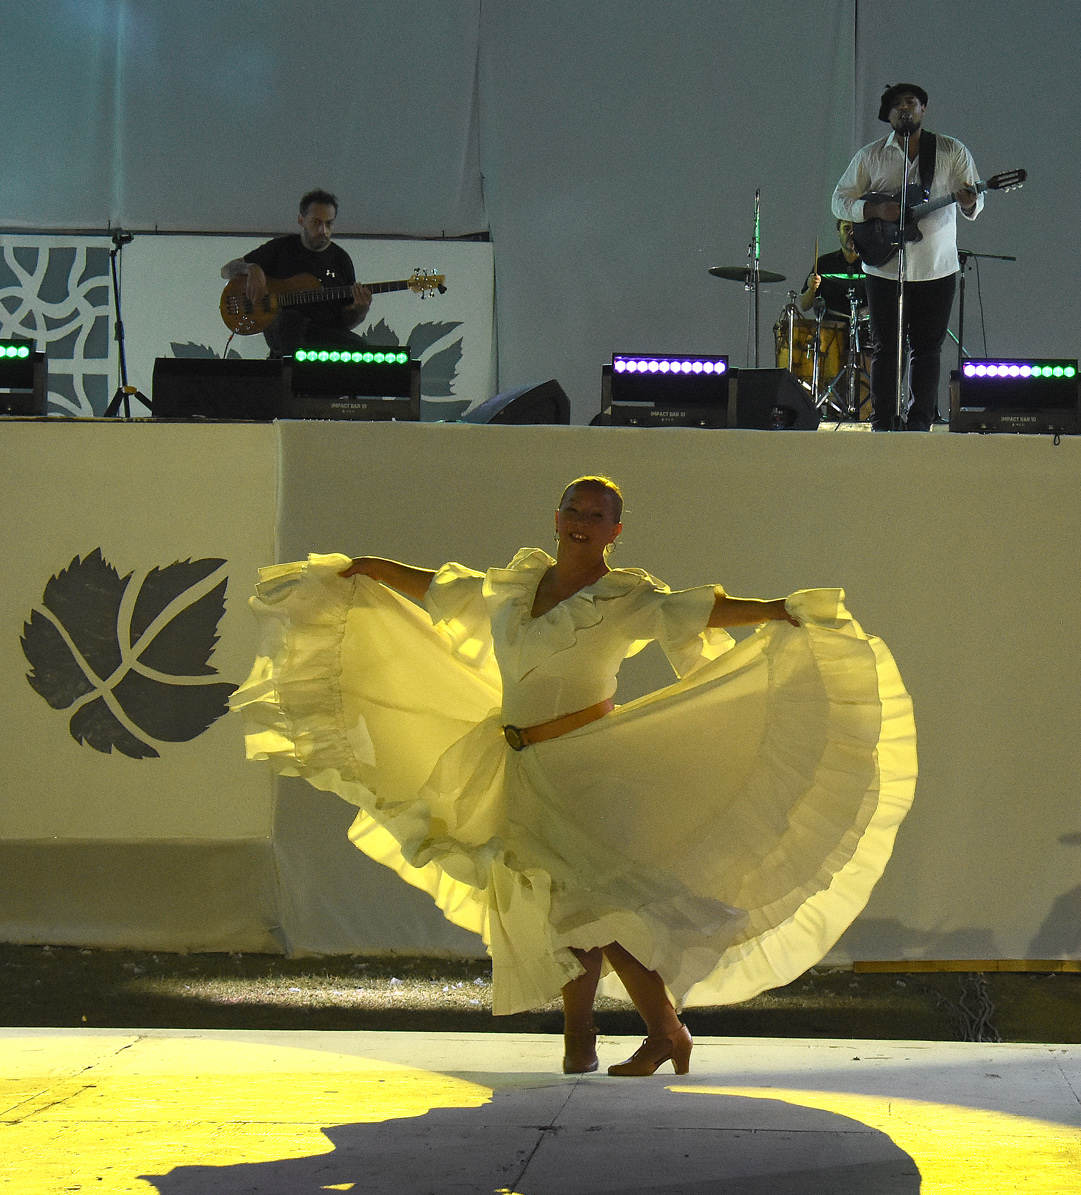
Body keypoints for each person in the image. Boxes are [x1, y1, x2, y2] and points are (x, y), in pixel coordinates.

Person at [234, 477, 916, 1076]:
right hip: (519, 765)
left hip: (591, 770)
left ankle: (655, 1032)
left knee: (599, 906)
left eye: (596, 514)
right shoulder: (512, 590)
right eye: (573, 510)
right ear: (556, 518)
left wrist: (771, 611)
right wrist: (369, 569)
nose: (581, 521)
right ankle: (588, 1039)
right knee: (562, 906)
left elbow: (694, 609)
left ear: (615, 531)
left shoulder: (623, 597)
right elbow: (441, 589)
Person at [831, 83, 983, 431]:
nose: (904, 108)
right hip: (884, 267)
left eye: (911, 102)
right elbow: (839, 200)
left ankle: (919, 422)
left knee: (928, 349)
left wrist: (970, 202)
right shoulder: (871, 155)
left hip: (936, 267)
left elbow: (974, 200)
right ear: (888, 114)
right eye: (897, 104)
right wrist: (874, 210)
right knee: (886, 348)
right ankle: (883, 421)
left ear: (923, 109)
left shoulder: (951, 150)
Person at [220, 189, 372, 359]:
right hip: (283, 331)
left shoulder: (341, 260)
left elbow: (346, 322)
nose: (323, 230)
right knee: (291, 320)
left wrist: (360, 310)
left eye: (329, 224)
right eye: (316, 222)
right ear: (301, 220)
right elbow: (226, 270)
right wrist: (251, 269)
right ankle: (289, 369)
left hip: (323, 333)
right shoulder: (281, 248)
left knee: (362, 350)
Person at [799, 218, 869, 320]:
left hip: (865, 328)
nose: (851, 234)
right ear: (838, 233)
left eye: (856, 229)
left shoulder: (872, 265)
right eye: (846, 229)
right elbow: (804, 306)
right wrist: (812, 288)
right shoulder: (824, 263)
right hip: (831, 328)